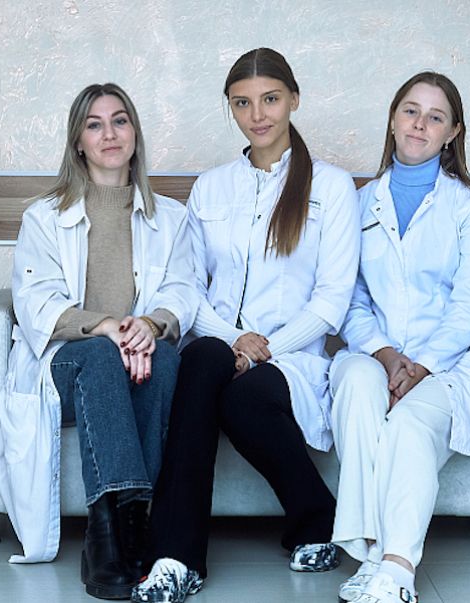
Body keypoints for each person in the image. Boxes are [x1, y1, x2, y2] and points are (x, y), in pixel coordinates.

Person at [130, 48, 360, 603]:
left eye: (270, 99)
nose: (257, 115)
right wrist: (235, 340)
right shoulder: (211, 187)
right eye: (242, 103)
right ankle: (177, 558)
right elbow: (189, 286)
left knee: (245, 396)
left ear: (294, 100)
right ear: (230, 108)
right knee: (204, 361)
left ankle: (316, 516)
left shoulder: (331, 188)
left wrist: (263, 350)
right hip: (218, 343)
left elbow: (331, 301)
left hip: (291, 357)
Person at [0, 83, 198, 600]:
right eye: (94, 124)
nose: (109, 134)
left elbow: (182, 290)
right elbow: (36, 303)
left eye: (120, 121)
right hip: (67, 369)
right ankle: (106, 534)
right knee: (100, 356)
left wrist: (149, 325)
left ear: (135, 134)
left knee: (164, 358)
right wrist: (107, 325)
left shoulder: (171, 218)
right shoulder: (44, 217)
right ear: (78, 142)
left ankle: (134, 524)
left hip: (137, 357)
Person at [329, 72, 470, 603]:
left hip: (449, 362)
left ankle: (395, 569)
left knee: (410, 422)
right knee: (357, 389)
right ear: (393, 119)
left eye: (435, 117)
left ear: (452, 132)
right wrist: (388, 356)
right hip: (373, 353)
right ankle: (369, 553)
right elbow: (349, 297)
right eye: (411, 111)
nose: (420, 124)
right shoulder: (357, 203)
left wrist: (421, 365)